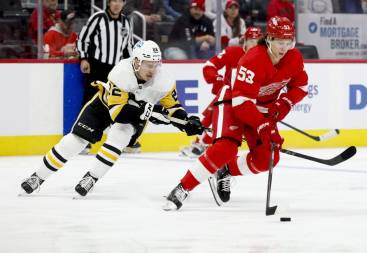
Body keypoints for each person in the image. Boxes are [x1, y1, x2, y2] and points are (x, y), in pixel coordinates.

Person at [20, 40, 204, 197]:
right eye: (149, 64)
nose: (153, 69)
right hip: (105, 105)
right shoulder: (121, 72)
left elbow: (172, 107)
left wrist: (186, 121)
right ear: (136, 62)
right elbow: (118, 112)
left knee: (119, 137)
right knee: (75, 141)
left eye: (156, 64)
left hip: (136, 114)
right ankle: (39, 176)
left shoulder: (164, 80)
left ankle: (91, 177)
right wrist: (150, 111)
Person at [163, 16, 309, 210]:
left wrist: (283, 104)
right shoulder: (254, 58)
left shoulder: (294, 58)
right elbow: (242, 104)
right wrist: (264, 125)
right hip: (234, 103)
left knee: (267, 158)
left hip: (261, 111)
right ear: (269, 39)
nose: (284, 48)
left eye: (288, 42)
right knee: (226, 148)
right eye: (279, 42)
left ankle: (226, 169)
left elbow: (301, 87)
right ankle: (182, 188)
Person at [180, 26, 263, 158]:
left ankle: (203, 145)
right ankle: (200, 144)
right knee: (211, 117)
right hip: (229, 95)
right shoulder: (232, 52)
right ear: (245, 41)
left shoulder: (264, 59)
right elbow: (210, 66)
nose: (255, 44)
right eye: (252, 40)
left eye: (258, 41)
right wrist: (218, 79)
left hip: (248, 100)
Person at [77, 0, 137, 153]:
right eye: (114, 0)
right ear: (109, 2)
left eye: (120, 1)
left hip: (116, 70)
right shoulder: (97, 18)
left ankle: (118, 141)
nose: (117, 3)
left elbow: (128, 47)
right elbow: (83, 38)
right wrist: (83, 58)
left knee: (118, 103)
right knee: (91, 102)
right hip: (97, 66)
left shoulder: (126, 22)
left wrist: (132, 67)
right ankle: (83, 140)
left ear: (124, 3)